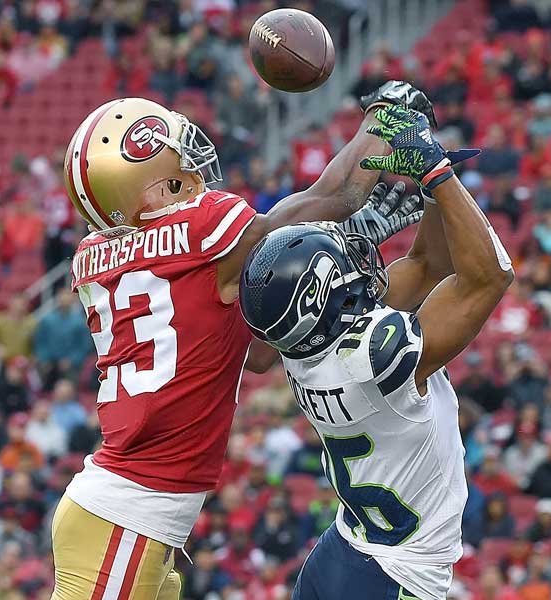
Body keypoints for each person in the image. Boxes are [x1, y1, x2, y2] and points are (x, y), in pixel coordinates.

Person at [51, 84, 438, 600]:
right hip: (128, 515)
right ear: (149, 187)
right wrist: (384, 121)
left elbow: (254, 353)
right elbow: (337, 195)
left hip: (126, 514)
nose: (191, 166)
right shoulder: (202, 231)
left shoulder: (98, 256)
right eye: (176, 161)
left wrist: (346, 248)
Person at [237, 104, 514, 600]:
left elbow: (426, 266)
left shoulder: (299, 344)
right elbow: (489, 276)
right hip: (396, 576)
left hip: (341, 550)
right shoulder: (375, 356)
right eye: (342, 258)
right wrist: (436, 172)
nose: (357, 255)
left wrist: (433, 191)